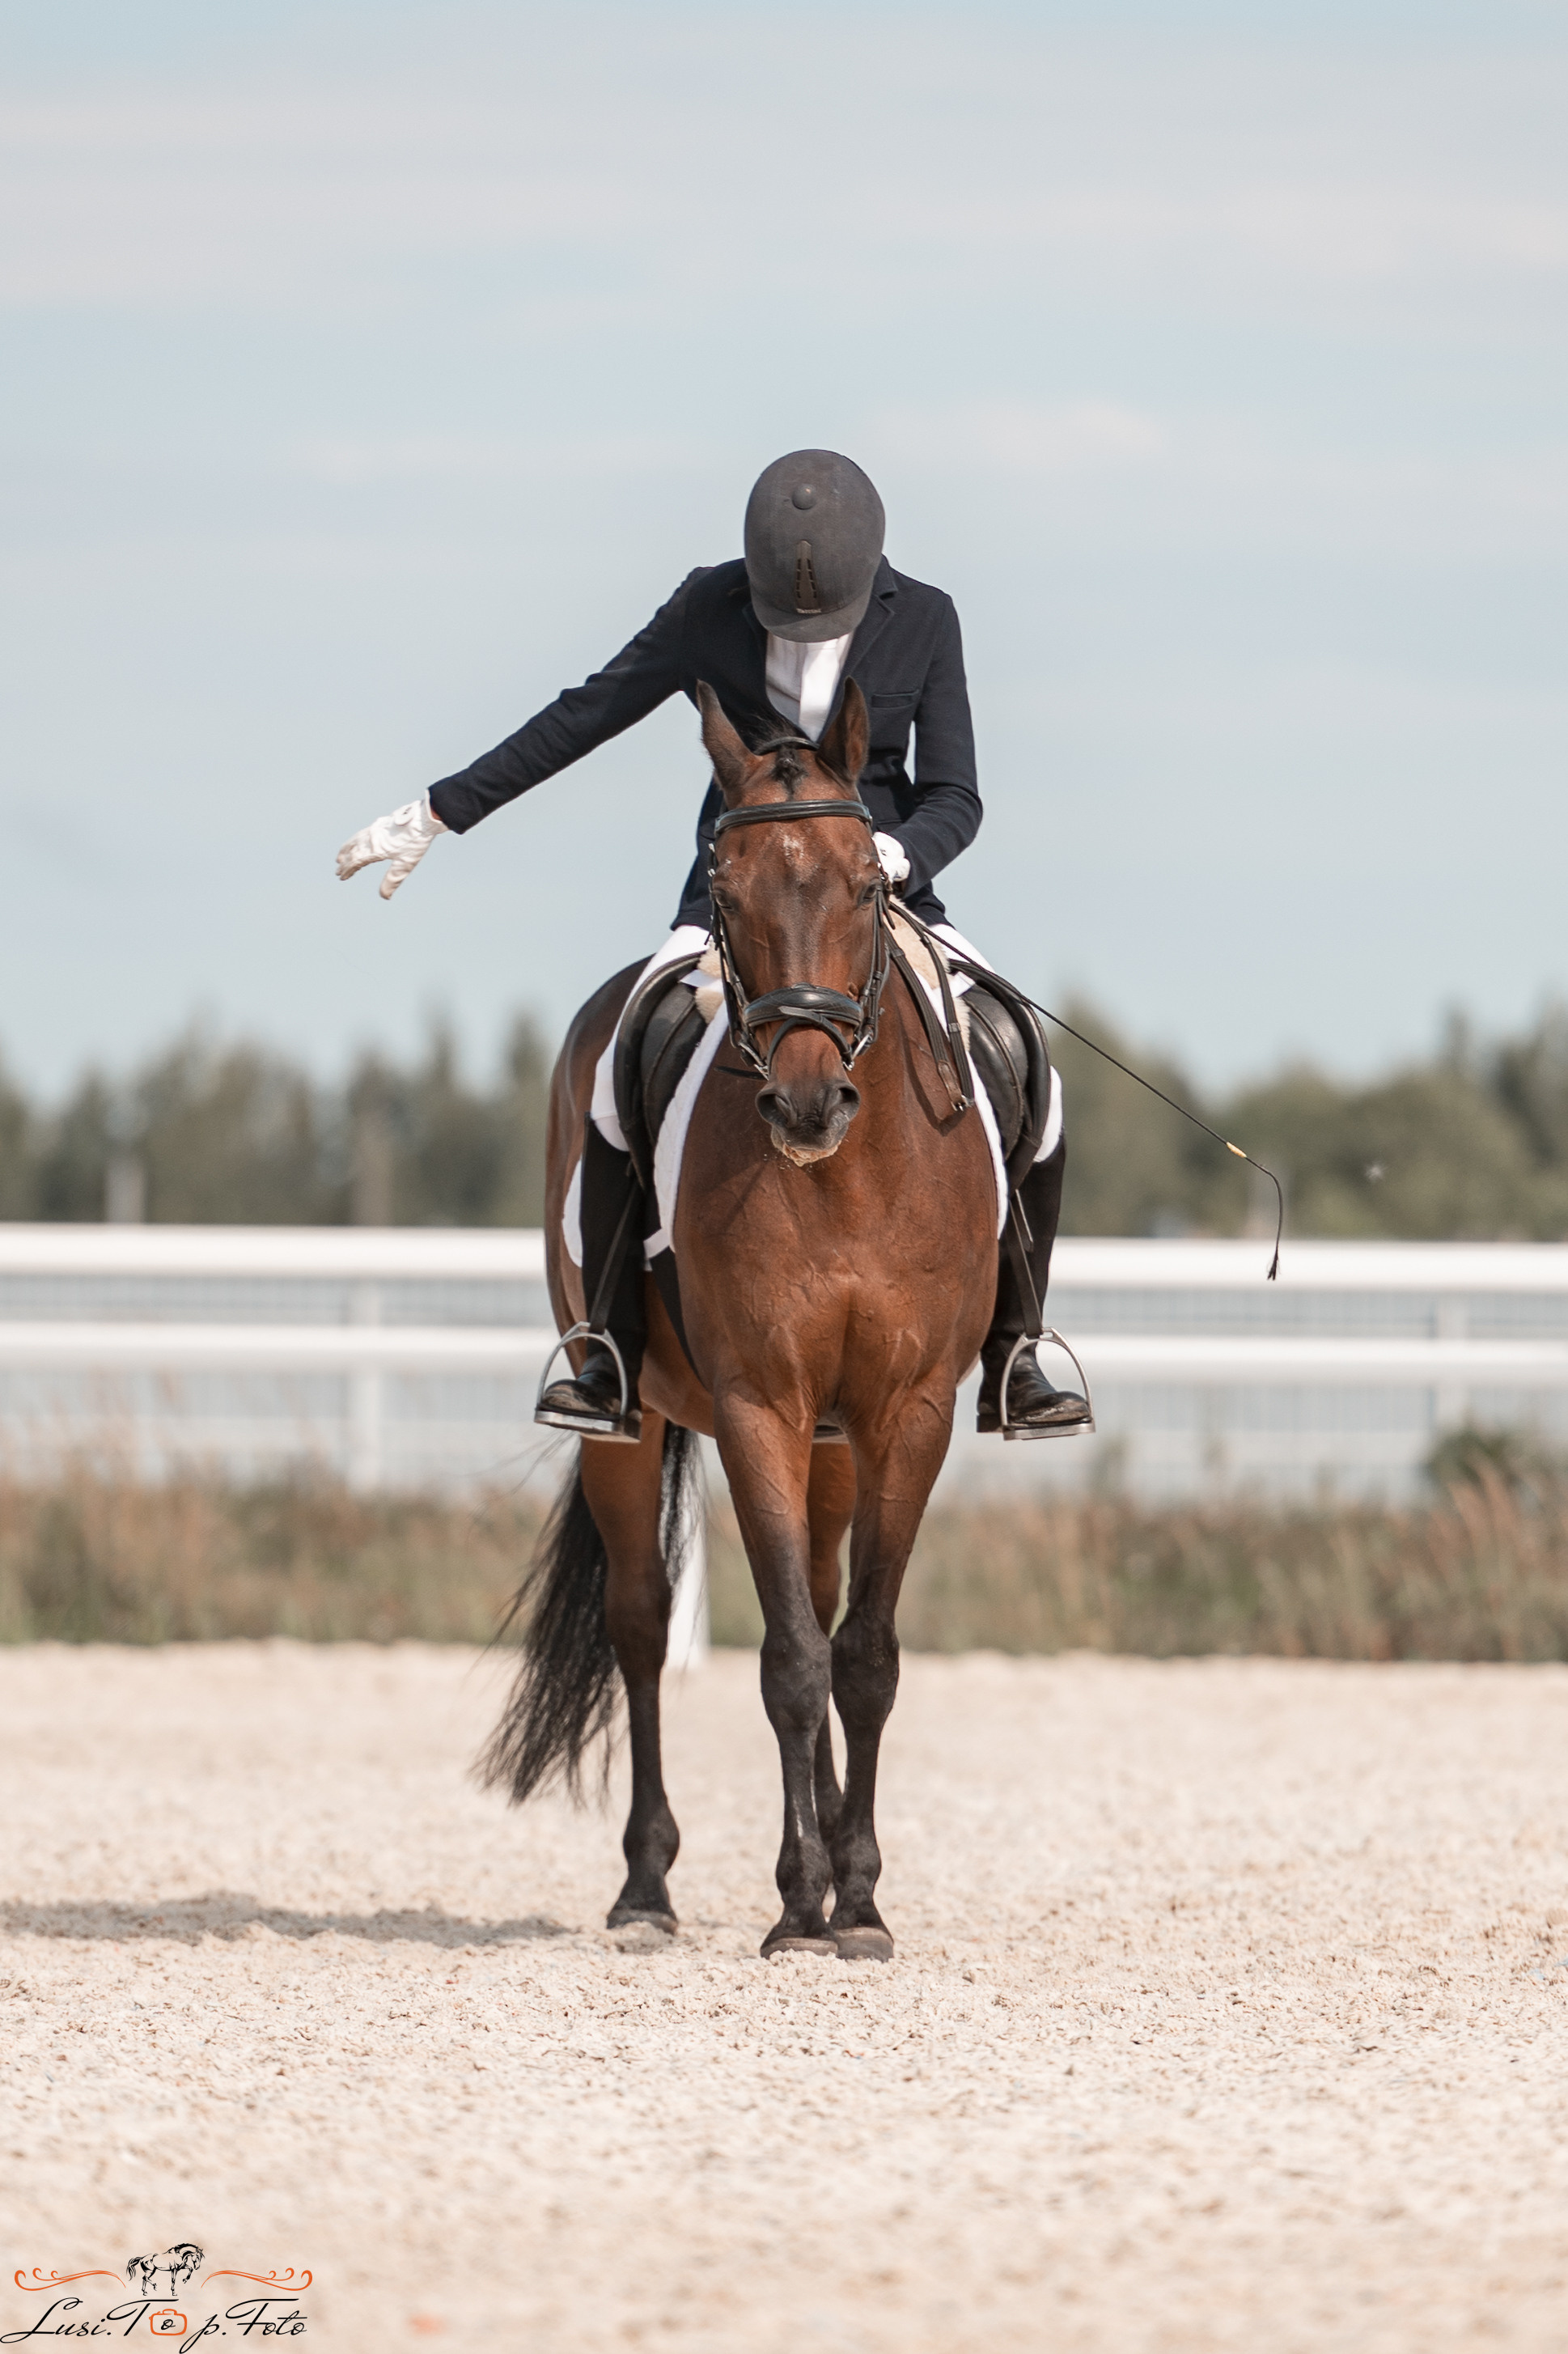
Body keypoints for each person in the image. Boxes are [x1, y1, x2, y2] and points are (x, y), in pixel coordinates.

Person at [337, 449, 1090, 1442]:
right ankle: (604, 1348)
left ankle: (1014, 1349)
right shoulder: (708, 608)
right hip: (737, 904)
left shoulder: (928, 619)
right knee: (616, 1074)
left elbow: (958, 793)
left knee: (1028, 1063)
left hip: (883, 894)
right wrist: (442, 809)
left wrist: (894, 862)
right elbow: (588, 712)